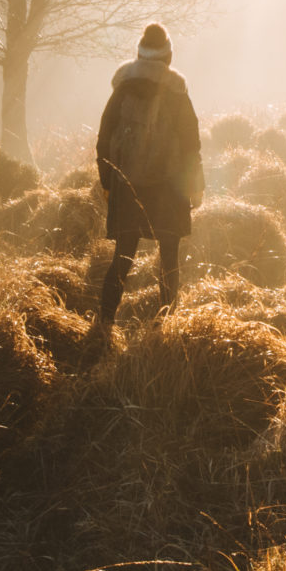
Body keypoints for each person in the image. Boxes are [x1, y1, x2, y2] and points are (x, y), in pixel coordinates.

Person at [91, 22, 203, 348]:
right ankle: (164, 331)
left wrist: (107, 182)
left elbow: (103, 138)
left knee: (122, 257)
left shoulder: (122, 88)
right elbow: (190, 143)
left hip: (127, 185)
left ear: (138, 53)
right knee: (168, 258)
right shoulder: (178, 91)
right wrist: (194, 186)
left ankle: (103, 326)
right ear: (168, 56)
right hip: (168, 187)